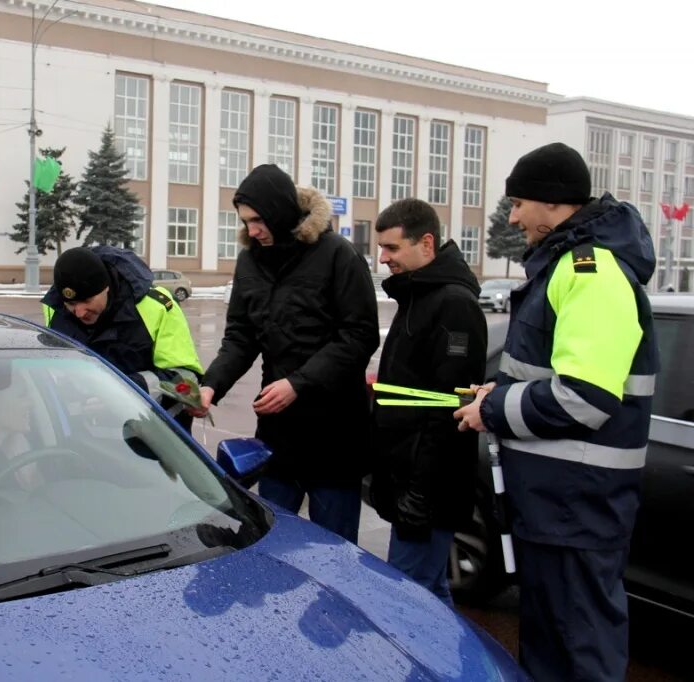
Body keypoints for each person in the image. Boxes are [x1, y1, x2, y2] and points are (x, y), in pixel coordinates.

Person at [453, 142, 658, 681]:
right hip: (559, 506)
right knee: (550, 651)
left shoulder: (590, 272)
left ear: (552, 202)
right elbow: (541, 374)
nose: (513, 215)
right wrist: (492, 391)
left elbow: (584, 397)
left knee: (576, 655)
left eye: (519, 202)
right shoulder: (567, 265)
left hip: (576, 506)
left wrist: (493, 409)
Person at [193, 164, 379, 544]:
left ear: (280, 210)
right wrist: (211, 385)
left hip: (335, 433)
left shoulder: (338, 255)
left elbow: (359, 335)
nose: (252, 230)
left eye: (258, 219)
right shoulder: (250, 262)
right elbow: (241, 337)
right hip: (278, 434)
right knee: (275, 541)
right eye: (245, 221)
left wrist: (299, 383)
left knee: (334, 551)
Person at [368, 198, 486, 607]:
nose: (382, 258)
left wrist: (421, 495)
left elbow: (449, 411)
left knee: (405, 602)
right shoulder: (418, 295)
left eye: (392, 248)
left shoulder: (453, 304)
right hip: (409, 479)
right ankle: (457, 670)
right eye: (382, 248)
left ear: (427, 243)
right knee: (428, 595)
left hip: (428, 489)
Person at [41, 245, 204, 430]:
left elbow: (185, 379)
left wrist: (123, 391)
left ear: (106, 288)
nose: (78, 312)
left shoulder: (156, 306)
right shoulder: (54, 309)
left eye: (86, 301)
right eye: (71, 303)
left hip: (151, 436)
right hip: (84, 436)